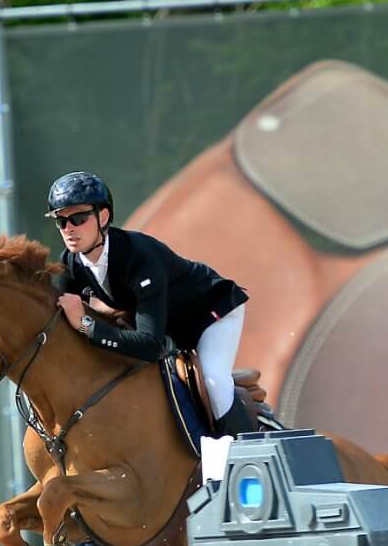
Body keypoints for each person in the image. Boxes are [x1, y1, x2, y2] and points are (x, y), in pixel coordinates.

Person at [47, 170, 254, 437]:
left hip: (210, 313)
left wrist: (88, 325)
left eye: (78, 217)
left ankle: (243, 453)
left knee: (213, 381)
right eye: (61, 221)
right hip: (169, 324)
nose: (69, 228)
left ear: (104, 217)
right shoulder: (71, 264)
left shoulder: (139, 256)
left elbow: (149, 346)